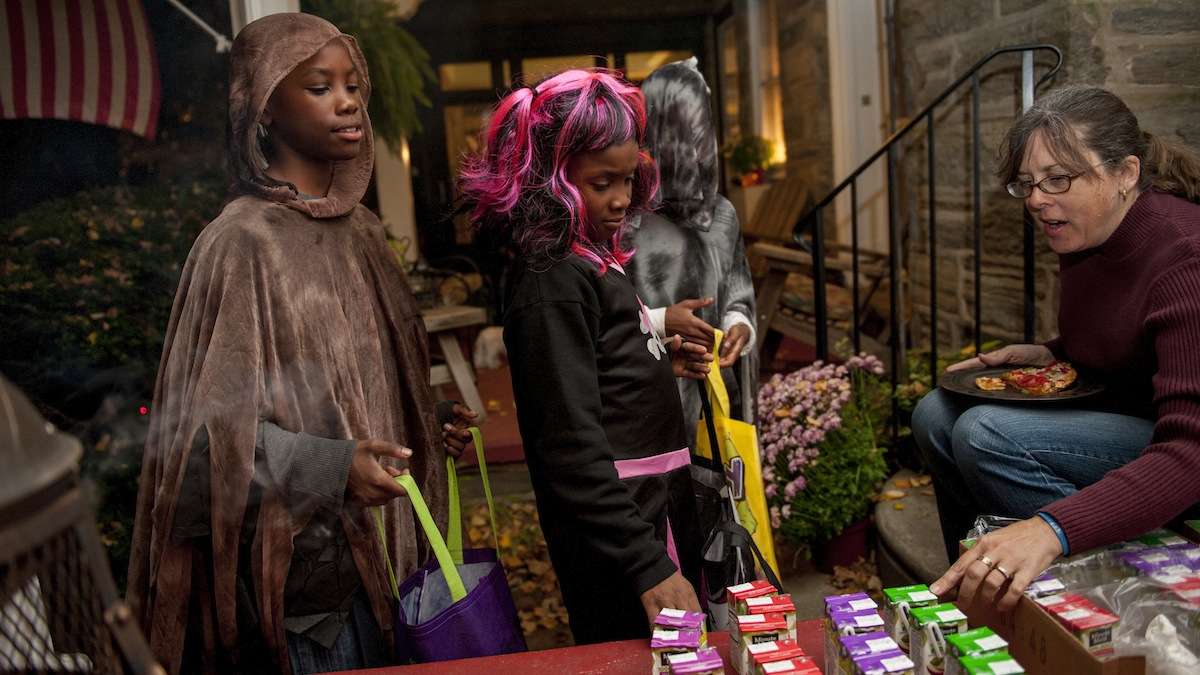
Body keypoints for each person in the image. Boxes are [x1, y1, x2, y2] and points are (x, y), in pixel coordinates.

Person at [126, 13, 475, 674]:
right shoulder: (239, 244)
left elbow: (365, 389)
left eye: (352, 84)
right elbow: (202, 448)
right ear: (265, 111)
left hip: (397, 580)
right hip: (313, 606)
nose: (349, 101)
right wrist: (334, 465)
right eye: (320, 85)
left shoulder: (364, 232)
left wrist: (425, 433)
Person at [912, 85, 1200, 612]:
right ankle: (976, 572)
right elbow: (1133, 335)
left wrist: (1052, 527)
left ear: (1126, 173)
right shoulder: (1091, 230)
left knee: (987, 432)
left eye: (1059, 178)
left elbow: (1193, 451)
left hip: (1180, 455)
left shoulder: (1186, 258)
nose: (1039, 199)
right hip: (1134, 416)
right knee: (935, 412)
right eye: (1028, 184)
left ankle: (1113, 588)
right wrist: (1050, 355)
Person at [459, 68, 711, 644]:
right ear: (552, 181)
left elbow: (594, 360)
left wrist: (648, 359)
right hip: (619, 528)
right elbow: (567, 442)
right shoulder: (551, 284)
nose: (623, 199)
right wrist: (645, 562)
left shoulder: (589, 259)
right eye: (602, 183)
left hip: (651, 509)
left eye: (628, 179)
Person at [624, 57, 758, 441]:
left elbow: (738, 289)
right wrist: (663, 319)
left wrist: (737, 325)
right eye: (686, 134)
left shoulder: (723, 216)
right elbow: (608, 320)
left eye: (703, 133)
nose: (698, 150)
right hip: (653, 407)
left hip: (719, 402)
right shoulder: (626, 224)